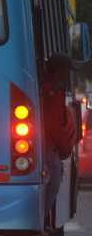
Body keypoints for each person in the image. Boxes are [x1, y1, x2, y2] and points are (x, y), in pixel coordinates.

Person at [41, 54, 76, 216]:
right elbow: (54, 124)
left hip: (41, 140)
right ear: (58, 71)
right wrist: (64, 147)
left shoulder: (44, 85)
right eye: (66, 71)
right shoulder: (54, 89)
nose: (67, 75)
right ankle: (41, 216)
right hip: (46, 143)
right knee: (55, 173)